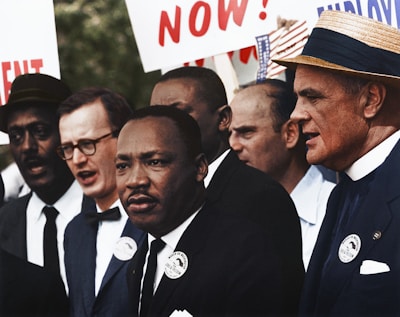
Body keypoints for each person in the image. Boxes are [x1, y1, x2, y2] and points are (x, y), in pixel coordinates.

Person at [274, 10, 400, 316]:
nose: (296, 114)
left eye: (313, 97)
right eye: (297, 98)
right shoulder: (344, 191)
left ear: (371, 100)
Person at [150, 66, 304, 315]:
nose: (161, 127)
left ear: (223, 119)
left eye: (178, 114)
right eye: (156, 115)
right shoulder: (161, 199)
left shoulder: (260, 196)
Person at [116, 106, 284, 316]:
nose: (135, 180)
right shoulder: (141, 256)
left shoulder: (244, 250)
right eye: (122, 166)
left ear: (199, 168)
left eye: (155, 162)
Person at [0, 73, 84, 316]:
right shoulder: (4, 222)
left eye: (40, 131)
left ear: (67, 136)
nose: (27, 146)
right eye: (16, 136)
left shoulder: (109, 211)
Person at [229, 80, 336, 269]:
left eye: (246, 132)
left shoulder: (336, 208)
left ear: (290, 134)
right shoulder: (230, 214)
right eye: (229, 135)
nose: (233, 145)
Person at [58, 87, 145, 316]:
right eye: (68, 148)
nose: (77, 159)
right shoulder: (74, 232)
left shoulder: (158, 220)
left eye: (88, 144)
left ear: (124, 137)